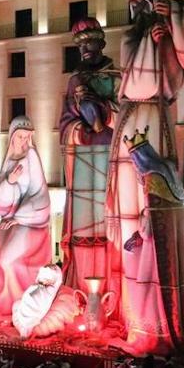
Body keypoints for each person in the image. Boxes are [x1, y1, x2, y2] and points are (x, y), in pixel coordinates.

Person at [104, 0, 184, 353]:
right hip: (130, 121)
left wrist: (174, 18)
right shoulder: (131, 34)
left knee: (152, 219)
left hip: (153, 122)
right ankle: (134, 318)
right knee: (131, 223)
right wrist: (153, 38)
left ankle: (154, 323)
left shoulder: (166, 21)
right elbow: (134, 74)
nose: (131, 0)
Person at [60, 17, 120, 291]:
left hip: (110, 157)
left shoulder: (116, 76)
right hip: (84, 160)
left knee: (110, 222)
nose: (85, 48)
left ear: (101, 42)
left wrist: (101, 109)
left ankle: (110, 288)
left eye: (90, 41)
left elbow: (126, 114)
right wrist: (79, 131)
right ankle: (82, 288)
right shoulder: (75, 80)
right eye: (80, 44)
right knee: (85, 229)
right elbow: (64, 123)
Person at [0, 116, 52, 316]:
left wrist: (20, 217)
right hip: (10, 220)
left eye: (27, 137)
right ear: (12, 137)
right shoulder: (9, 162)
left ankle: (23, 304)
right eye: (20, 136)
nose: (23, 140)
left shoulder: (32, 158)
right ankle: (5, 298)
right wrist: (10, 181)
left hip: (30, 221)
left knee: (8, 259)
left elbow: (40, 193)